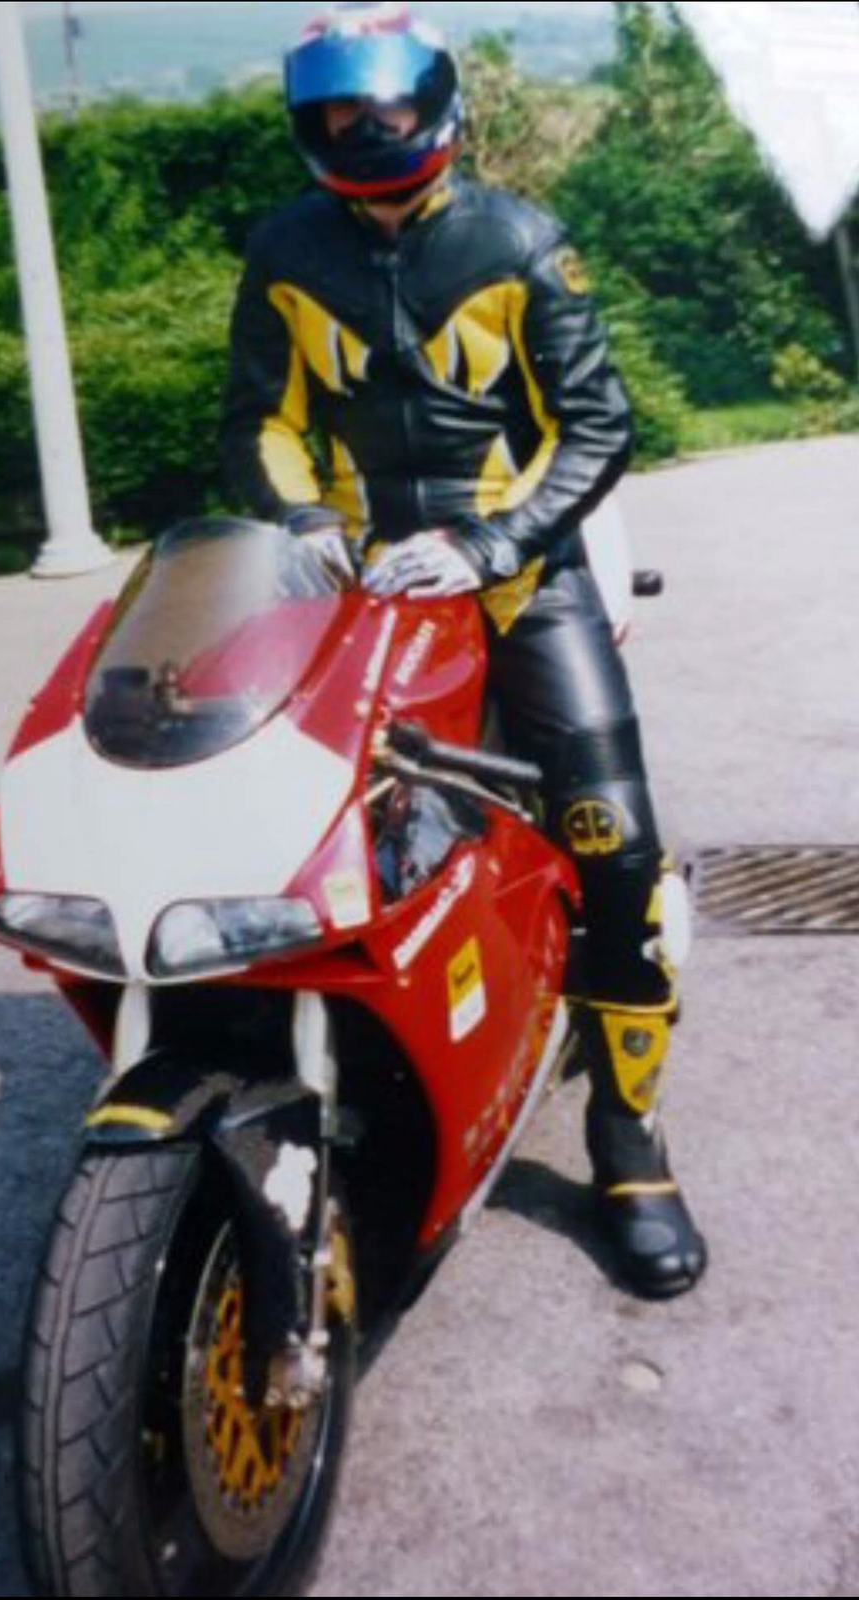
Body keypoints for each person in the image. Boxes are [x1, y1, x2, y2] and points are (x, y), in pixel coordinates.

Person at [220, 0, 707, 1298]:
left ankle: (629, 1138)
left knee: (615, 835)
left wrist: (492, 545)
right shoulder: (283, 249)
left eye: (382, 104)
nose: (361, 128)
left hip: (520, 579)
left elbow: (598, 427)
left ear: (434, 101)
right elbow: (258, 422)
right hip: (354, 580)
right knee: (295, 823)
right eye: (336, 111)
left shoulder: (521, 242)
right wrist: (305, 522)